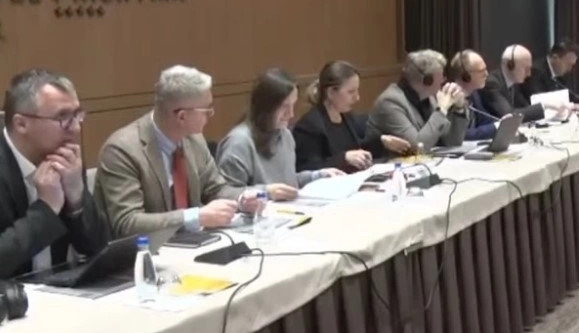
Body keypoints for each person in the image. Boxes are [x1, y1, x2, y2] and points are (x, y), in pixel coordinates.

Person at [95, 66, 265, 237]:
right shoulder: (122, 151)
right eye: (206, 110)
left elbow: (215, 189)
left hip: (192, 245)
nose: (210, 115)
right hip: (144, 250)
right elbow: (128, 223)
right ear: (182, 116)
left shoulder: (194, 140)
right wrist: (195, 217)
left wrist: (242, 200)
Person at [0, 70, 108, 278]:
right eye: (63, 117)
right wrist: (46, 209)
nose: (76, 128)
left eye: (77, 115)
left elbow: (99, 248)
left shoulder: (65, 157)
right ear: (21, 124)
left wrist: (76, 201)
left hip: (58, 289)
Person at [217, 69, 346, 193]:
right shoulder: (238, 143)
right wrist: (266, 192)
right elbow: (227, 194)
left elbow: (287, 183)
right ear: (266, 107)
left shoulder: (285, 135)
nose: (291, 114)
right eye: (285, 106)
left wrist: (318, 175)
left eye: (293, 105)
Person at [293, 61, 411, 174]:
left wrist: (382, 142)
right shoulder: (310, 126)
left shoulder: (346, 117)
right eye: (351, 92)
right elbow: (308, 168)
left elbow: (357, 150)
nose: (357, 97)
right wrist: (343, 158)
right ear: (331, 92)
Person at [368, 50, 469, 149]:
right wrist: (441, 110)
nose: (444, 79)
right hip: (392, 160)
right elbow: (417, 147)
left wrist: (459, 109)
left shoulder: (429, 98)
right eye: (442, 75)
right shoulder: (390, 103)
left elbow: (452, 142)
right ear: (427, 81)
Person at [484, 45, 547, 122]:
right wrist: (544, 106)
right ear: (510, 66)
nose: (529, 74)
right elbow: (509, 115)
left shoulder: (513, 82)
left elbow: (524, 106)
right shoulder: (492, 83)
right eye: (525, 68)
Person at [449, 50, 501, 141]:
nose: (487, 74)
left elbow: (484, 120)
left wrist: (503, 123)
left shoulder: (473, 94)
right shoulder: (450, 98)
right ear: (466, 76)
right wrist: (495, 127)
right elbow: (461, 135)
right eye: (481, 71)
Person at [532, 38, 579, 106]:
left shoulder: (559, 74)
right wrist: (573, 106)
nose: (569, 69)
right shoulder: (536, 71)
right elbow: (540, 102)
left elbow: (571, 97)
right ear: (555, 58)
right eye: (568, 64)